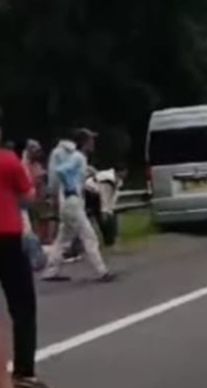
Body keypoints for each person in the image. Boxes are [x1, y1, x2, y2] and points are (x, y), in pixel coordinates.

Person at [0, 127, 49, 388]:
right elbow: (28, 197)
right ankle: (23, 371)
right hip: (6, 238)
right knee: (22, 307)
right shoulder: (8, 160)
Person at [42, 128, 115, 282]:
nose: (93, 143)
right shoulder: (78, 157)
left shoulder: (77, 157)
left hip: (68, 202)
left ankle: (51, 271)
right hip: (72, 201)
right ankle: (102, 271)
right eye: (91, 140)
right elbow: (61, 171)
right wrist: (70, 187)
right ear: (84, 142)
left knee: (63, 238)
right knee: (89, 236)